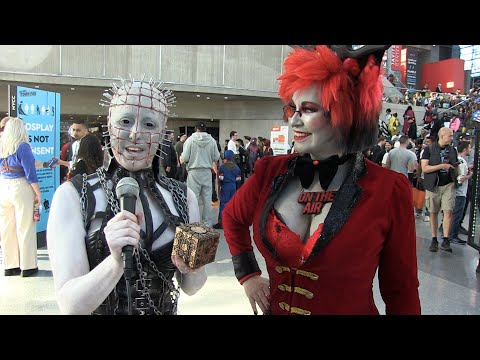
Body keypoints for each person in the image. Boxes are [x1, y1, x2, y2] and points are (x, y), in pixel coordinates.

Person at [222, 45, 421, 315]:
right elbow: (232, 218)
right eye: (292, 108)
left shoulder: (387, 189)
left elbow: (402, 291)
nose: (294, 122)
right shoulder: (269, 171)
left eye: (308, 109)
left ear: (343, 114)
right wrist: (248, 274)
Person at [47, 78, 207, 315]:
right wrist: (115, 263)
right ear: (109, 126)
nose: (135, 134)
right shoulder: (72, 196)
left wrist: (193, 267)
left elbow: (192, 288)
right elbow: (70, 305)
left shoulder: (184, 198)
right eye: (125, 121)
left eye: (149, 125)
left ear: (162, 133)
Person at [0, 117, 41, 277]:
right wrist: (38, 192)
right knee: (25, 226)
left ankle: (10, 265)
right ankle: (28, 266)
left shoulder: (2, 145)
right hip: (21, 186)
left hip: (4, 185)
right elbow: (30, 173)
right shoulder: (23, 146)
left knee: (6, 227)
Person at [421, 127, 458, 253]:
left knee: (448, 210)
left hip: (449, 184)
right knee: (433, 212)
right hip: (433, 185)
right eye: (450, 136)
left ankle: (446, 239)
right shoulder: (428, 150)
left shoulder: (452, 150)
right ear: (442, 136)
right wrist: (442, 166)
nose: (452, 138)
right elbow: (425, 168)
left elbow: (455, 164)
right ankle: (434, 238)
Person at [181, 121, 220, 227]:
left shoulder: (190, 140)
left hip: (194, 172)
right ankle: (207, 223)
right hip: (207, 172)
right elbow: (216, 157)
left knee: (193, 199)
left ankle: (194, 222)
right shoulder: (212, 141)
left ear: (195, 128)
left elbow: (184, 158)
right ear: (205, 129)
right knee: (207, 199)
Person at [213, 150, 241, 230]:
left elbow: (220, 178)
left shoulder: (223, 167)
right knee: (232, 204)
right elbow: (238, 180)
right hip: (233, 187)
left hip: (225, 186)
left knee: (224, 204)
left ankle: (222, 222)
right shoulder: (236, 167)